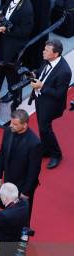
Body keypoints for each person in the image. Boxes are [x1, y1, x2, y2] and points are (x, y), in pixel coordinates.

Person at [30, 39, 72, 170]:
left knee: (45, 128)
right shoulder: (48, 59)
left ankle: (56, 154)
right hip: (40, 99)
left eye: (47, 51)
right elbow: (42, 72)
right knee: (42, 127)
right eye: (44, 49)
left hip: (51, 104)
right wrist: (34, 73)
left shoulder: (65, 71)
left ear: (56, 54)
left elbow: (59, 94)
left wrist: (42, 86)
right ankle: (46, 149)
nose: (43, 52)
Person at [0, 109, 42, 221]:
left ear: (24, 125)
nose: (11, 126)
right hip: (8, 179)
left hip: (23, 184)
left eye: (15, 124)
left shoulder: (34, 143)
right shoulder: (8, 131)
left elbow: (34, 171)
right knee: (8, 208)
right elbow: (2, 152)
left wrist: (26, 192)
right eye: (11, 122)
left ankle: (22, 234)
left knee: (22, 214)